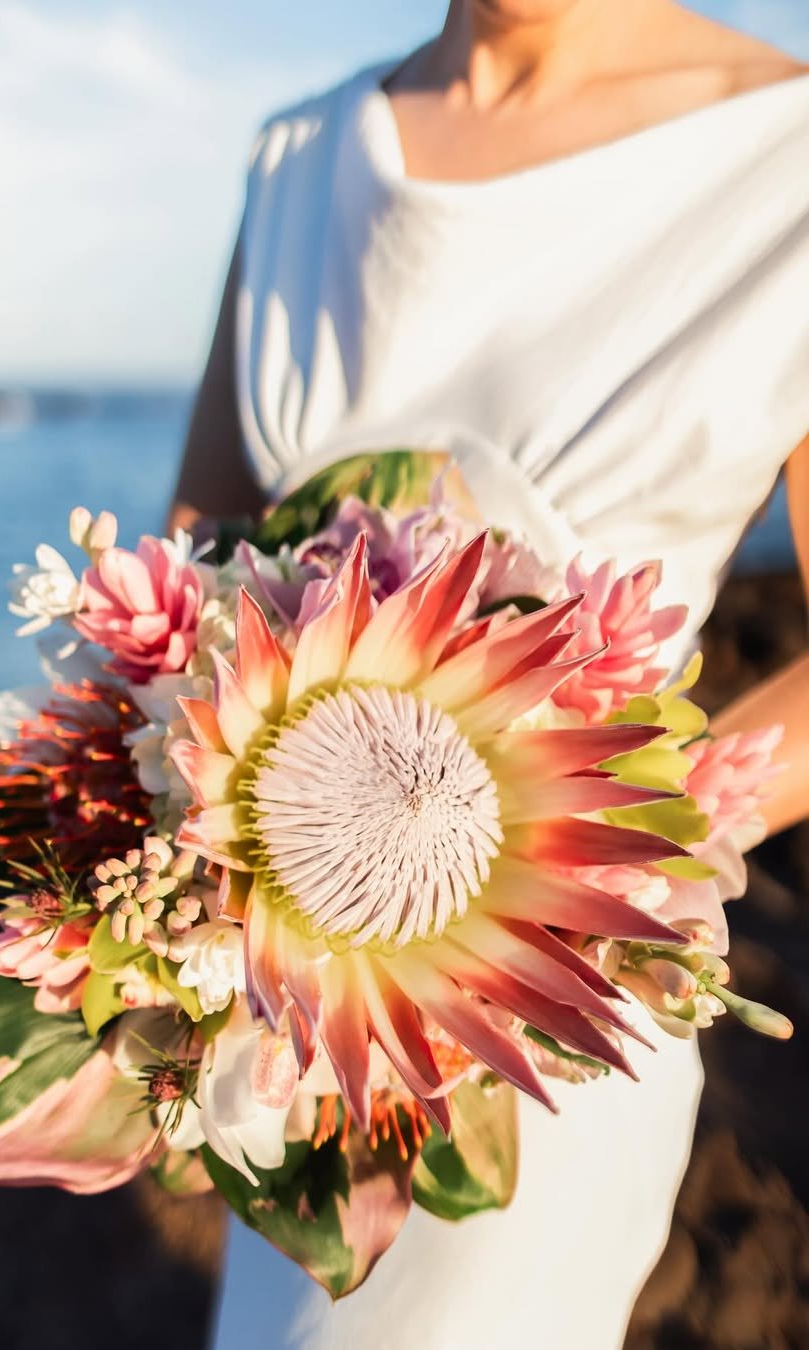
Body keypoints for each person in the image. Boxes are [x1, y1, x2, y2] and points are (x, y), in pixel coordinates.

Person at [169, 2, 809, 1345]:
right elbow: (196, 567)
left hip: (544, 1001)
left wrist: (597, 856)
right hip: (277, 993)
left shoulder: (787, 159)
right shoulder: (300, 156)